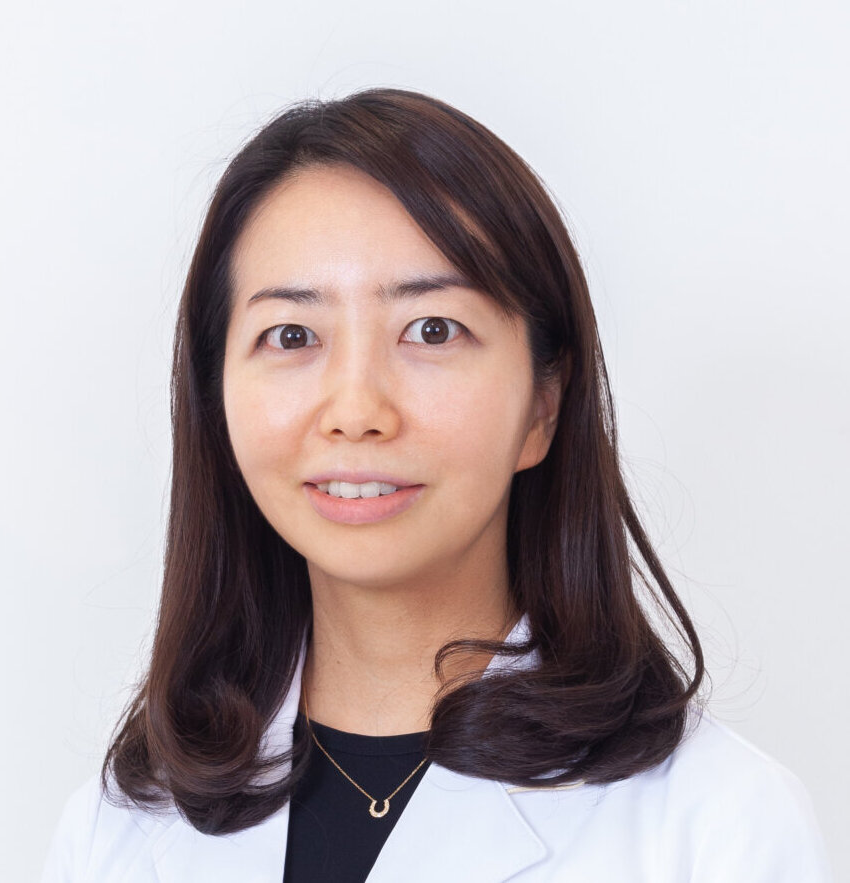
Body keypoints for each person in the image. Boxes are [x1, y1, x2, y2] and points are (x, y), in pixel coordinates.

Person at [41, 87, 831, 882]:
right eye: (292, 334)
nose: (357, 411)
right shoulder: (118, 831)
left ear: (544, 404)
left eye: (432, 330)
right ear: (216, 398)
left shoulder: (714, 828)